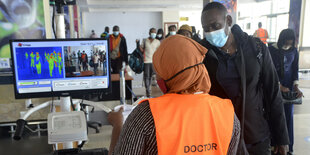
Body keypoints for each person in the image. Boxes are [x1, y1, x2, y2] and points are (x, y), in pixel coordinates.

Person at [108, 35, 240, 155]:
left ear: (169, 73)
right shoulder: (228, 113)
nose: (157, 76)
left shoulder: (147, 114)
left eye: (159, 70)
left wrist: (118, 125)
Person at [200, 2, 289, 155]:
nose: (211, 32)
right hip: (221, 138)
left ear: (228, 21)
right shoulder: (202, 54)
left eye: (215, 25)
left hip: (256, 136)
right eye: (206, 28)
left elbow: (273, 92)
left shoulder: (257, 48)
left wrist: (281, 138)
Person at [269, 29, 303, 155]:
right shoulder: (271, 50)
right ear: (281, 40)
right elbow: (269, 70)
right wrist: (279, 86)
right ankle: (274, 145)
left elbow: (295, 69)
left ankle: (289, 147)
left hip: (288, 87)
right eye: (286, 43)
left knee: (288, 117)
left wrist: (296, 86)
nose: (287, 46)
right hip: (273, 87)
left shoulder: (294, 51)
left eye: (290, 44)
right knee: (275, 116)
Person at [139, 28, 160, 97]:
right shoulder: (145, 40)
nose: (153, 34)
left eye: (155, 32)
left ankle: (150, 88)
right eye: (152, 32)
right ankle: (148, 90)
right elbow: (141, 49)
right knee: (146, 76)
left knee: (152, 76)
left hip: (153, 61)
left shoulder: (157, 42)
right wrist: (138, 45)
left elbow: (159, 51)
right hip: (146, 61)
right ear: (149, 33)